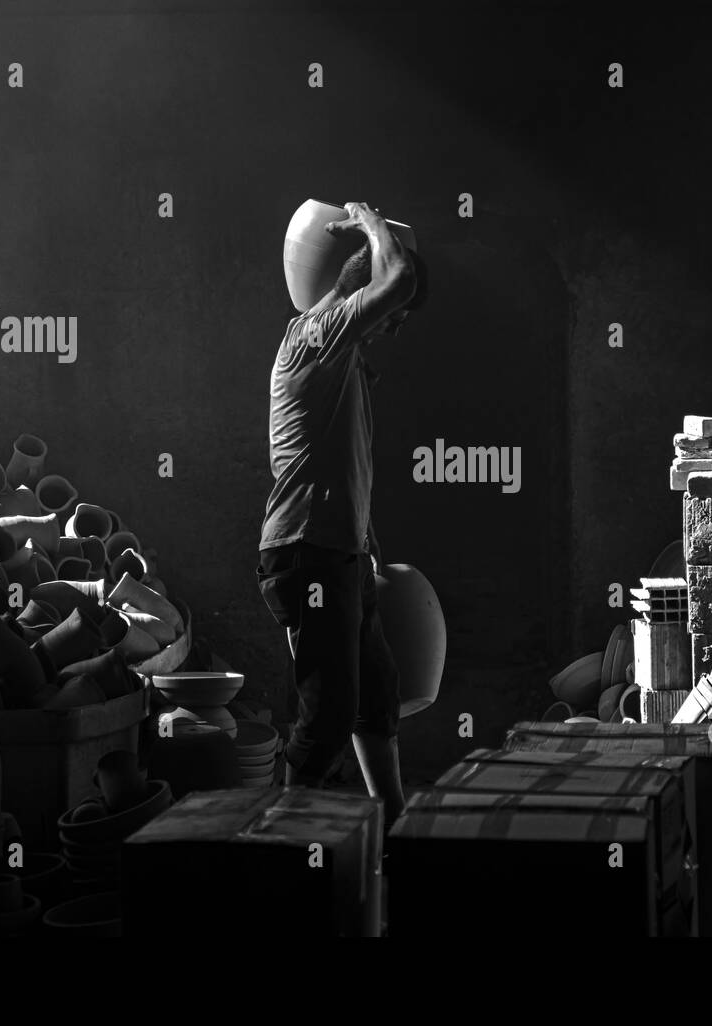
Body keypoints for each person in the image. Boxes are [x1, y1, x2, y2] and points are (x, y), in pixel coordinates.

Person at [256, 201, 427, 825]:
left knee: (376, 701)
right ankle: (280, 841)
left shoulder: (343, 360)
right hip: (307, 554)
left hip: (341, 553)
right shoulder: (314, 335)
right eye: (393, 317)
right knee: (326, 717)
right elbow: (398, 280)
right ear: (358, 286)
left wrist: (366, 538)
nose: (394, 327)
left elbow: (338, 459)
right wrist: (370, 220)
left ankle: (392, 828)